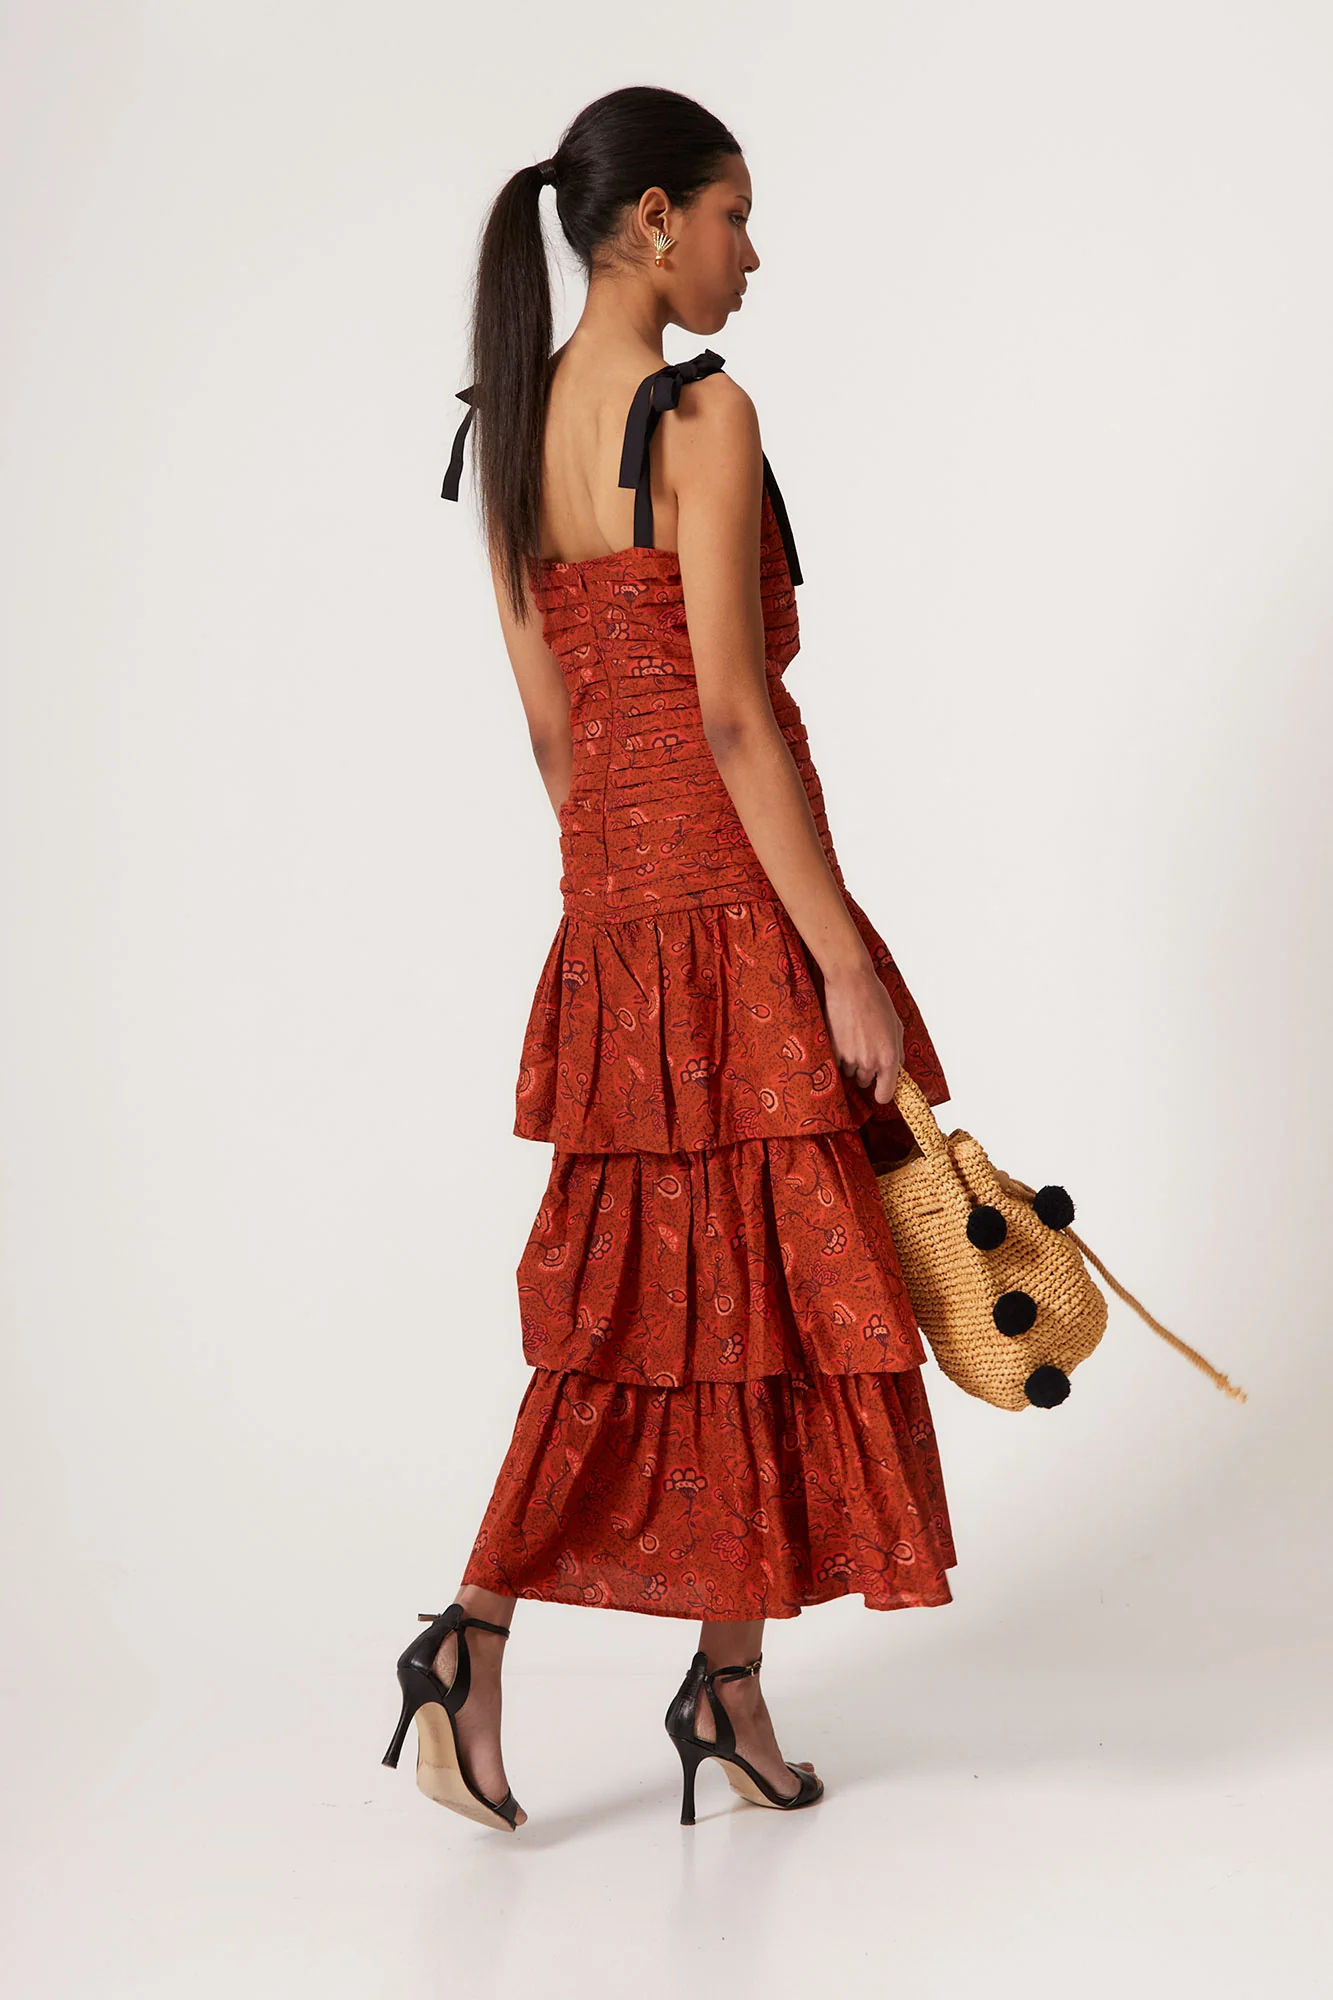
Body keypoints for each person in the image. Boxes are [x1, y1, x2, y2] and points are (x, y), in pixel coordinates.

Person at [382, 84, 957, 1833]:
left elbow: (557, 736)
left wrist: (620, 916)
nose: (748, 255)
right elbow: (730, 712)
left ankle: (718, 1687)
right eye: (732, 216)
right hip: (734, 911)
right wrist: (839, 958)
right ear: (653, 223)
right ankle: (473, 1635)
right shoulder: (700, 416)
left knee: (700, 1309)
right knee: (732, 1298)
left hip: (619, 923)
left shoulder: (507, 424)